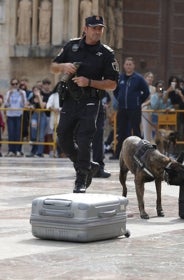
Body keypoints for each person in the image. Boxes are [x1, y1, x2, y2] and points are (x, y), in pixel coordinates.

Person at [50, 15, 119, 193]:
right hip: (70, 99)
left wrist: (89, 82)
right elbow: (53, 67)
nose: (97, 31)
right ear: (85, 28)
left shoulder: (106, 53)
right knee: (63, 137)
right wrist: (64, 66)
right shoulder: (71, 46)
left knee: (84, 139)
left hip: (90, 101)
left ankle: (81, 179)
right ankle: (88, 165)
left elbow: (112, 84)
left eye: (100, 28)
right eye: (94, 28)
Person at [110, 57, 149, 160]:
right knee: (121, 132)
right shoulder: (120, 78)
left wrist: (138, 101)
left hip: (134, 109)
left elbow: (146, 92)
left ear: (133, 66)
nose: (128, 66)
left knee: (136, 131)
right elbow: (115, 90)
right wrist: (119, 98)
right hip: (122, 108)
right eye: (127, 64)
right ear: (124, 66)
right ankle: (118, 153)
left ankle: (139, 154)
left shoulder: (139, 78)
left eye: (130, 64)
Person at [4, 79, 28, 157]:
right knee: (11, 133)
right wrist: (9, 95)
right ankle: (11, 150)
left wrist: (21, 95)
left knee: (18, 133)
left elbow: (24, 104)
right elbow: (6, 104)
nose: (14, 85)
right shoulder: (8, 92)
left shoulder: (23, 92)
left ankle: (18, 150)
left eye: (16, 84)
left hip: (18, 114)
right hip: (10, 114)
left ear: (18, 84)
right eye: (13, 84)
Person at [92, 92, 112, 178]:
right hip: (84, 101)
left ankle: (98, 167)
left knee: (99, 134)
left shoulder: (105, 94)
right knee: (82, 135)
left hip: (98, 102)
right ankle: (82, 167)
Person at [26, 85, 47, 157]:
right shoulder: (32, 98)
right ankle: (33, 151)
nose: (36, 91)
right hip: (34, 115)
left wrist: (39, 97)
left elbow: (42, 106)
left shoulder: (43, 97)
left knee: (41, 135)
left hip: (42, 115)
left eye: (37, 90)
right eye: (34, 90)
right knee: (34, 134)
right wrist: (29, 106)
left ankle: (39, 152)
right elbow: (26, 105)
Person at [142, 72, 156, 142]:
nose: (150, 78)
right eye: (148, 77)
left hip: (150, 109)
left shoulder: (154, 89)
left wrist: (145, 104)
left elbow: (153, 99)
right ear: (145, 78)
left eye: (151, 77)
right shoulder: (141, 87)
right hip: (142, 110)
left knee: (151, 128)